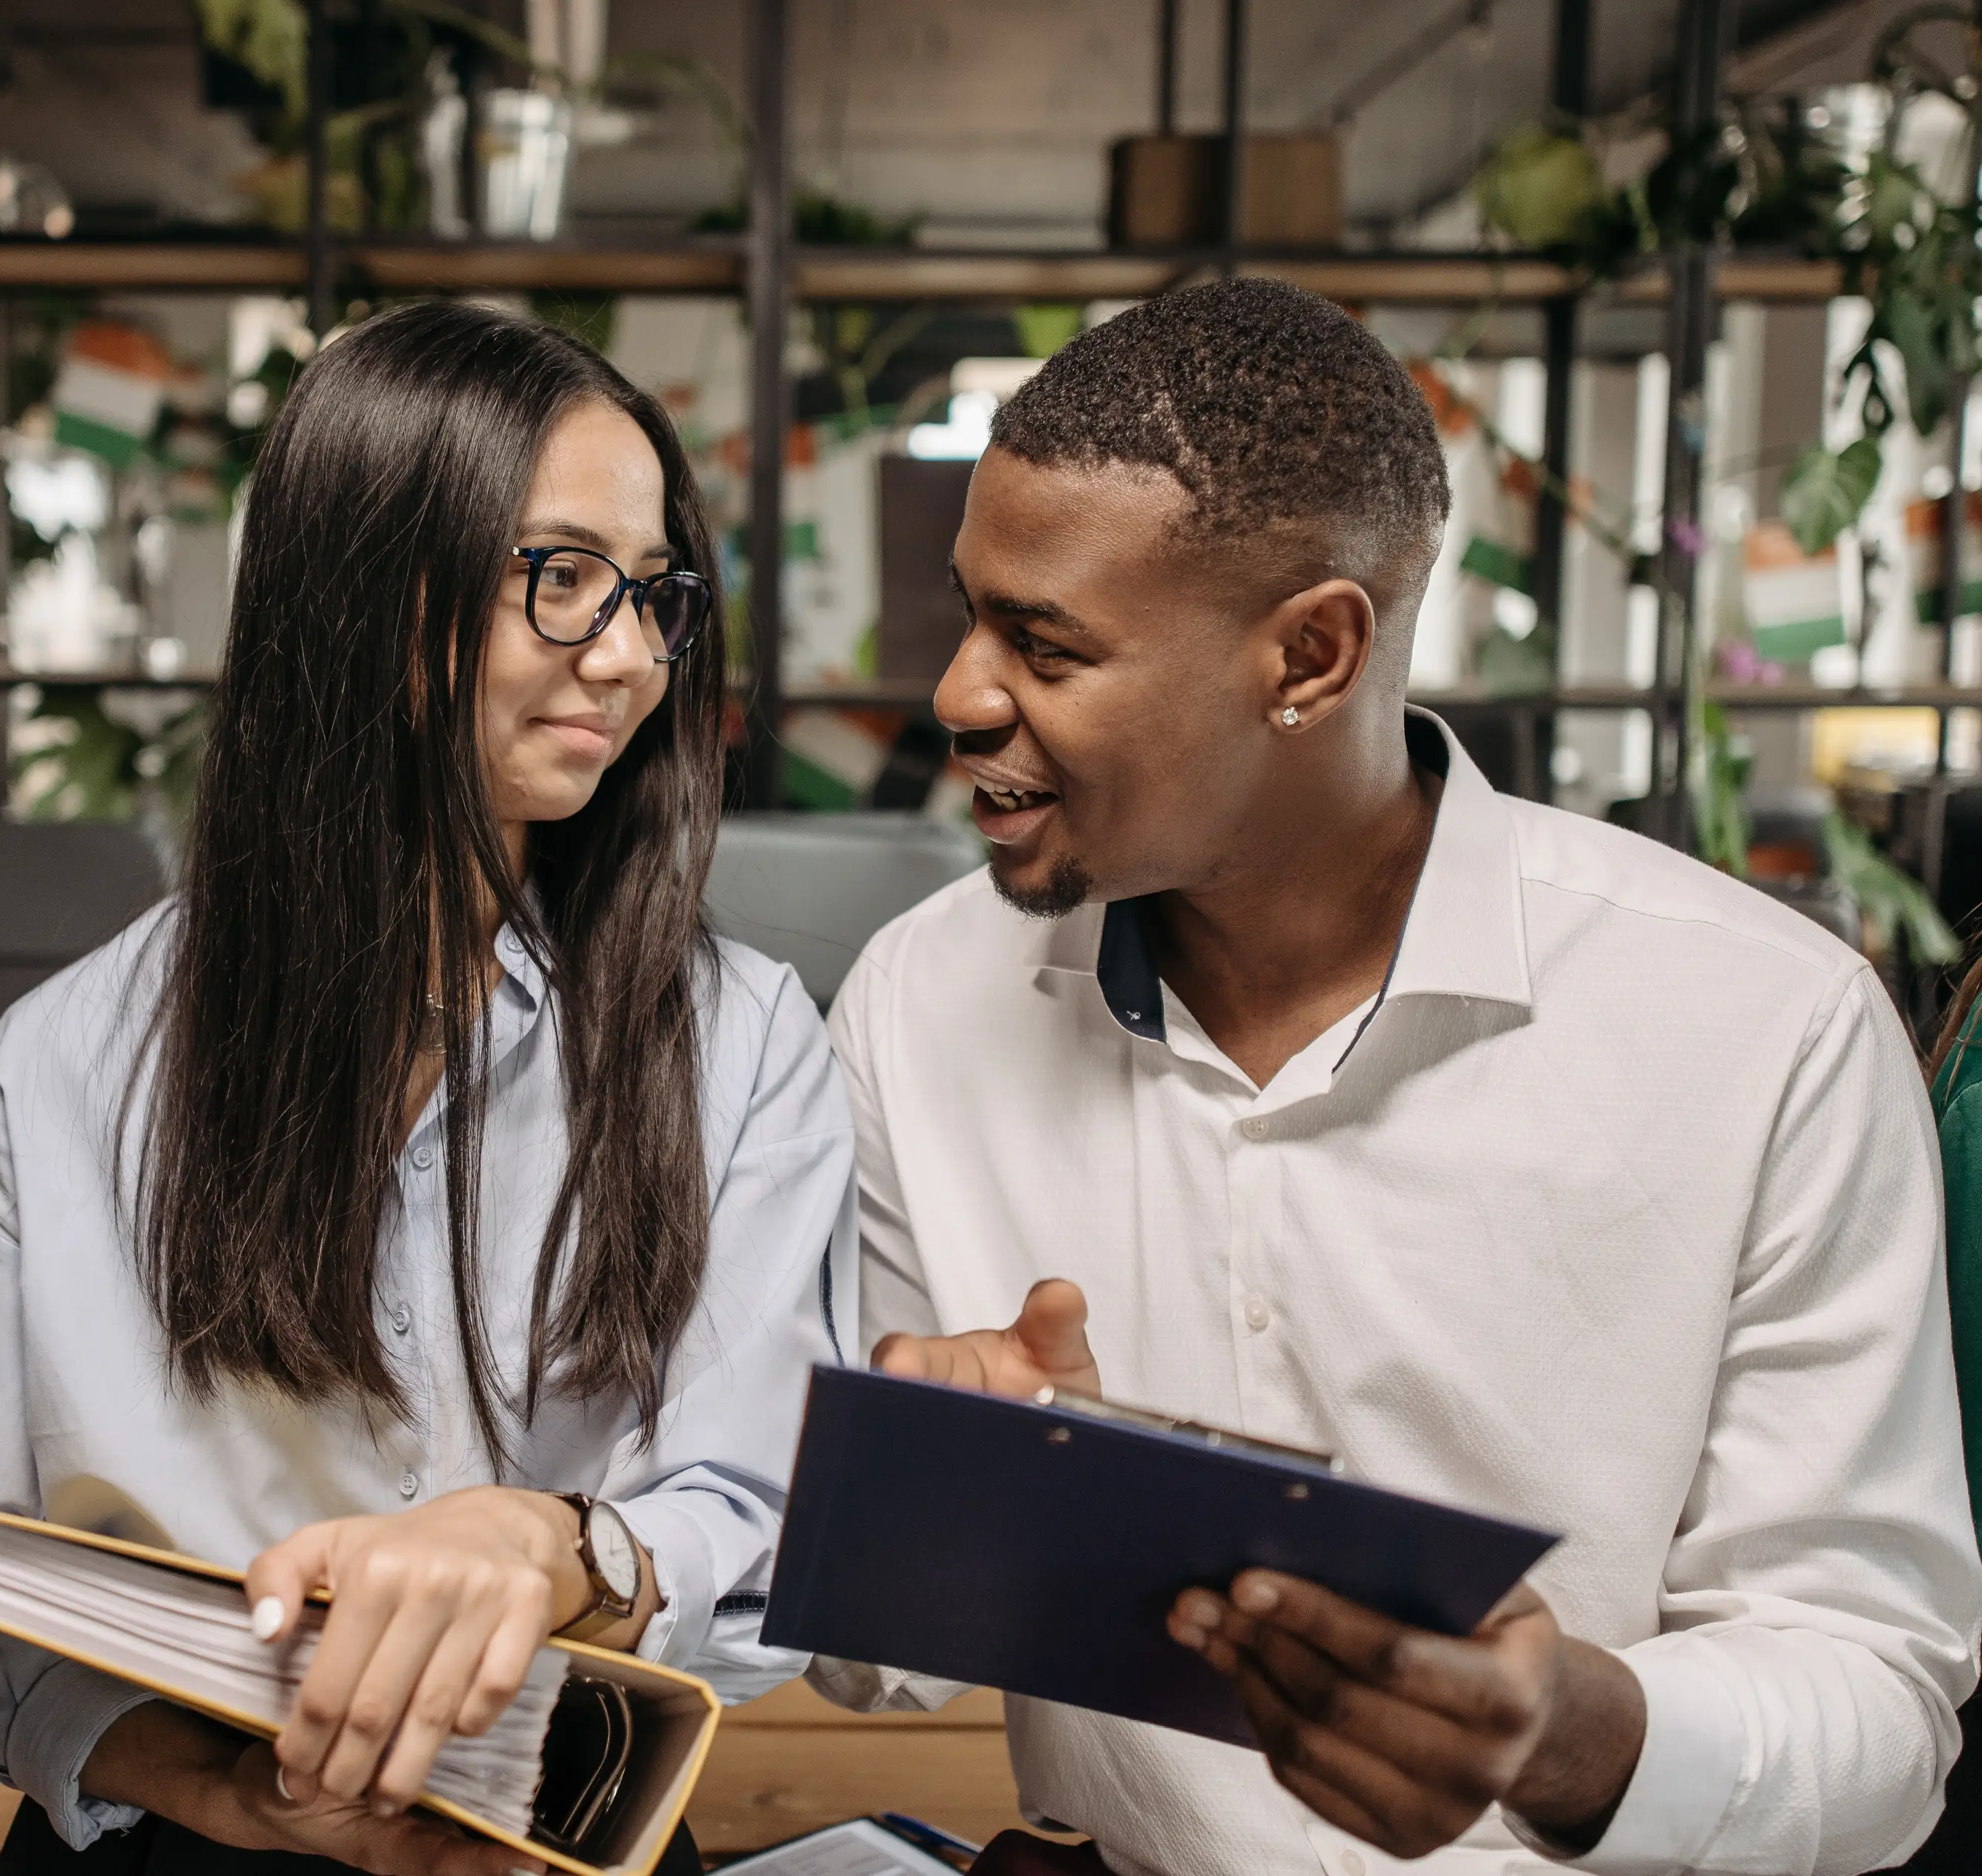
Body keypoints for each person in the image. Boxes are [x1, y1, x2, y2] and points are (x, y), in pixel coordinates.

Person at [808, 278, 1982, 1876]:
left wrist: (1567, 1735)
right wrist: (944, 1498)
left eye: (1046, 644)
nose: (957, 692)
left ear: (1311, 654)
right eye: (971, 614)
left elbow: (1882, 1711)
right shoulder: (916, 1005)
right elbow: (869, 1664)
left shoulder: (1768, 1031)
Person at [0, 300, 856, 1876]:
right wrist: (236, 1794)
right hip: (179, 1841)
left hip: (554, 1833)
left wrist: (563, 1548)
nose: (633, 655)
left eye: (654, 591)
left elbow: (766, 1523)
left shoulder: (740, 1046)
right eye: (563, 577)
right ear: (369, 591)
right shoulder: (59, 1072)